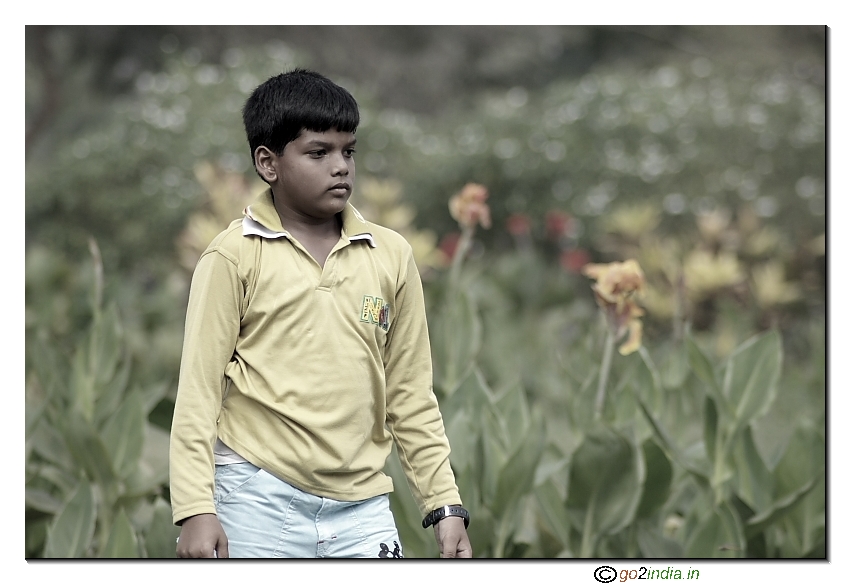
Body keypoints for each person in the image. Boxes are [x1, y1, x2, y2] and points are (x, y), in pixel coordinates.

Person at [169, 68, 472, 559]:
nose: (341, 167)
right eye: (318, 152)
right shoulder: (233, 255)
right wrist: (195, 508)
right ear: (268, 163)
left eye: (348, 151)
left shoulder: (390, 254)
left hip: (363, 508)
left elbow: (411, 392)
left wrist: (444, 504)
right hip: (254, 497)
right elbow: (198, 393)